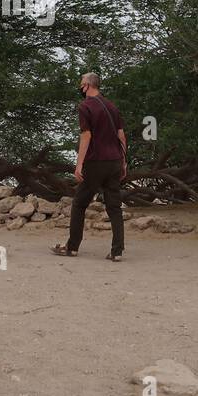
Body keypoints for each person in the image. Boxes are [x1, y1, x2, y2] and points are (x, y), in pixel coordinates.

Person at [51, 73, 128, 261]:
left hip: (96, 162)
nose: (80, 88)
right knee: (114, 207)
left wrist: (79, 164)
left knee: (79, 203)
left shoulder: (85, 106)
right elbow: (121, 135)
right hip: (115, 161)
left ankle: (72, 246)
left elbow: (86, 136)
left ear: (87, 85)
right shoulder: (112, 106)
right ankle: (117, 251)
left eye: (81, 84)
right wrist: (124, 161)